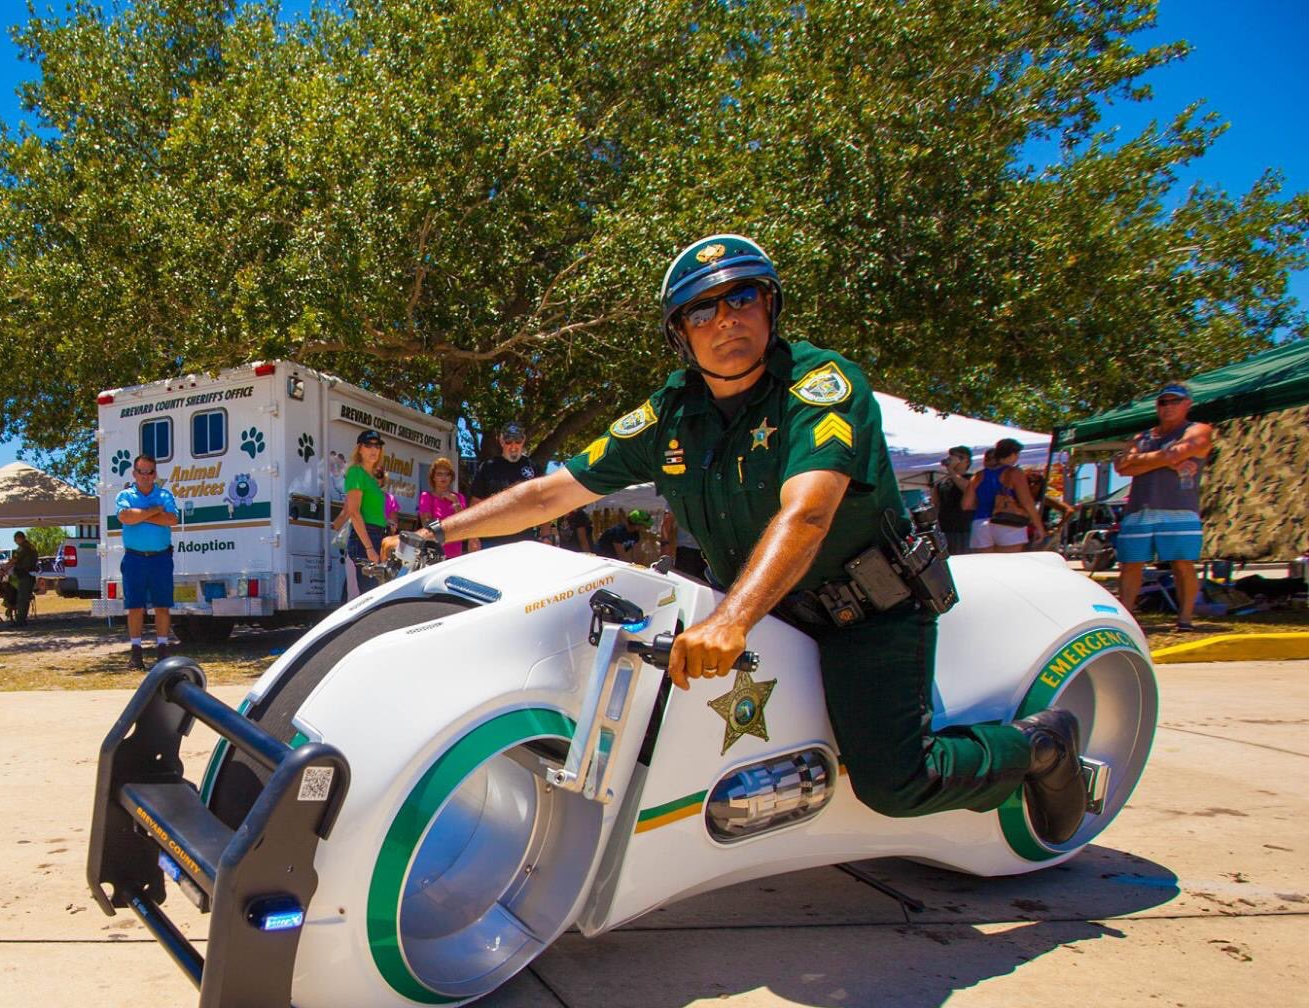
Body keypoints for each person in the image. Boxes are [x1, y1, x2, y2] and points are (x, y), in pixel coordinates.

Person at [389, 233, 1088, 843]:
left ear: (771, 307)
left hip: (865, 616)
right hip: (770, 614)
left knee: (895, 780)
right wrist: (436, 531)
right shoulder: (670, 415)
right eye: (702, 309)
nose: (726, 319)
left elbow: (807, 514)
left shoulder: (820, 385)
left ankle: (1040, 748)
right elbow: (551, 492)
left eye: (743, 298)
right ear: (679, 334)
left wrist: (731, 618)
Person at [1114, 381, 1215, 631]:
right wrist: (1167, 460)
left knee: (1182, 563)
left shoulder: (1198, 429)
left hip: (1179, 507)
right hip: (1140, 507)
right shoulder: (1145, 436)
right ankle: (1126, 619)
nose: (1168, 407)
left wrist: (1143, 461)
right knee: (1130, 563)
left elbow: (1177, 452)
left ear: (1187, 404)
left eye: (1174, 401)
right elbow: (1121, 465)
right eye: (1163, 402)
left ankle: (1185, 619)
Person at [114, 452, 179, 668]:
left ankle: (162, 650)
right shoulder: (125, 495)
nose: (145, 475)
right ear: (134, 473)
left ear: (154, 474)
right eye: (141, 471)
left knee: (162, 606)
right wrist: (153, 512)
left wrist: (140, 515)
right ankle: (136, 654)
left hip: (160, 559)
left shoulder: (165, 496)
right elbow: (125, 517)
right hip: (134, 559)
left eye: (149, 471)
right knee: (135, 607)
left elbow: (171, 519)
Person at [467, 422, 543, 547]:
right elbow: (476, 503)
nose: (513, 446)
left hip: (525, 539)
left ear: (523, 440)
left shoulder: (534, 468)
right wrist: (472, 536)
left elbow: (543, 501)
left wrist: (546, 534)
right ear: (501, 441)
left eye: (517, 441)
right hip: (492, 539)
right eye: (508, 442)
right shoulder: (487, 467)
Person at [332, 430, 388, 598]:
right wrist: (369, 548)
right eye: (368, 445)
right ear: (359, 449)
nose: (374, 449)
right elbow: (354, 513)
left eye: (377, 446)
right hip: (366, 538)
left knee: (375, 593)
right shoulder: (356, 472)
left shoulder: (372, 477)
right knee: (367, 596)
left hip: (378, 535)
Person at [966, 439, 1041, 552]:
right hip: (1007, 522)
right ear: (1012, 454)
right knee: (1009, 565)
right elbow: (1027, 502)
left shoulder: (978, 476)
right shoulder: (1014, 473)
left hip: (980, 523)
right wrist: (1039, 526)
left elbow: (966, 504)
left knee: (985, 566)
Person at [415, 457, 476, 557]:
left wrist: (455, 502)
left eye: (447, 474)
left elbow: (465, 523)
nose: (443, 477)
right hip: (434, 553)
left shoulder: (459, 497)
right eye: (439, 474)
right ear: (433, 477)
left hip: (455, 553)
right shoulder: (426, 496)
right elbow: (426, 523)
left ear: (451, 477)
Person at [933, 446, 975, 555]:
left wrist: (951, 470)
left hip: (964, 529)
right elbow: (936, 505)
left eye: (960, 457)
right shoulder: (943, 483)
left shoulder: (972, 478)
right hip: (945, 529)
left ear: (967, 461)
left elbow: (969, 489)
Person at [659, 507, 707, 577]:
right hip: (705, 550)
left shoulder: (676, 496)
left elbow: (667, 521)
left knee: (686, 582)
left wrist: (665, 548)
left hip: (688, 551)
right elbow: (667, 521)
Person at [8, 531, 39, 624]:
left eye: (15, 539)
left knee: (22, 598)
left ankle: (20, 620)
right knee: (25, 598)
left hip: (24, 575)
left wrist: (5, 566)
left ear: (19, 538)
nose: (15, 541)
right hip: (30, 575)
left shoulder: (22, 548)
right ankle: (22, 618)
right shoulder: (31, 547)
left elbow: (14, 560)